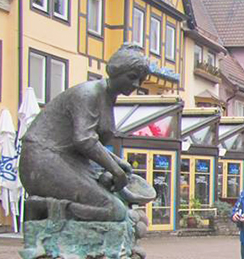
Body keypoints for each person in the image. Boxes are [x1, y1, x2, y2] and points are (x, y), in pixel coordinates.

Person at [20, 44, 150, 222]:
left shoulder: (107, 97)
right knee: (113, 210)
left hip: (69, 160)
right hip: (43, 160)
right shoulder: (88, 93)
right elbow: (84, 140)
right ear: (117, 71)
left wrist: (118, 163)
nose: (136, 84)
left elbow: (89, 140)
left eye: (141, 80)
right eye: (132, 77)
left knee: (118, 203)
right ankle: (42, 208)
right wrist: (116, 170)